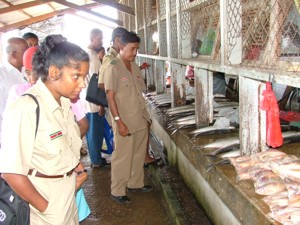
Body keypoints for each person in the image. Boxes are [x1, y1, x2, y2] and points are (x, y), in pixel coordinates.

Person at [0, 34, 90, 224]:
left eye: (84, 76)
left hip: (68, 195)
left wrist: (76, 170)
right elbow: (11, 173)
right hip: (45, 205)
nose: (82, 84)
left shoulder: (64, 103)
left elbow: (64, 146)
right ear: (54, 72)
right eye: (77, 76)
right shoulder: (26, 108)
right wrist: (47, 208)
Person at [104, 31, 153, 204]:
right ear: (121, 46)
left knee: (139, 153)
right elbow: (110, 97)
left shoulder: (135, 65)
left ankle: (135, 183)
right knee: (123, 155)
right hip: (125, 119)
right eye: (132, 49)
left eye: (137, 49)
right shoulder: (113, 67)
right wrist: (118, 121)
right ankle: (117, 190)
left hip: (139, 116)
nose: (135, 53)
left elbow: (139, 89)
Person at [99, 27, 159, 166]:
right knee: (125, 146)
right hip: (123, 109)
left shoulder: (125, 60)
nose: (134, 52)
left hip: (133, 107)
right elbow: (103, 84)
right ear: (119, 41)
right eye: (132, 48)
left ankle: (140, 164)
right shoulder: (111, 59)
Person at [81, 28, 109, 167]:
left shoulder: (88, 55)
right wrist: (101, 105)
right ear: (92, 39)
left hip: (87, 101)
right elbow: (96, 83)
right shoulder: (92, 58)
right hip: (93, 102)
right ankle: (96, 161)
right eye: (99, 39)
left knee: (92, 132)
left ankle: (96, 158)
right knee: (94, 133)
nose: (101, 42)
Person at [0, 37, 28, 147]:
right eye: (25, 51)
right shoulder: (2, 76)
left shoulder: (26, 73)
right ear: (14, 54)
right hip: (12, 138)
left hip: (27, 133)